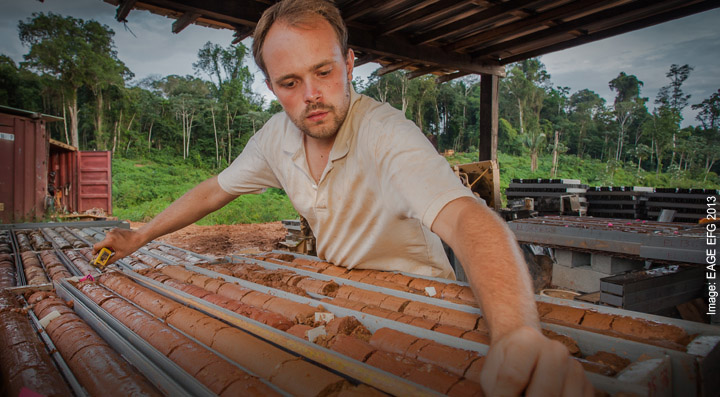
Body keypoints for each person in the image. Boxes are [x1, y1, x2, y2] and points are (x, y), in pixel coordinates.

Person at [95, 0, 593, 395]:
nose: (312, 94)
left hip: (419, 305)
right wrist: (140, 235)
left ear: (349, 63)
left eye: (324, 71)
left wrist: (516, 334)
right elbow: (212, 191)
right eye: (291, 82)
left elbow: (467, 218)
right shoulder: (274, 140)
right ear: (272, 87)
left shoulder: (384, 132)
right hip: (341, 301)